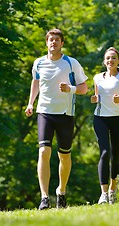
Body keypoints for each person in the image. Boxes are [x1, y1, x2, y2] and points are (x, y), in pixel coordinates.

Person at [25, 29, 88, 210]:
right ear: (46, 43)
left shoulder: (71, 63)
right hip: (44, 112)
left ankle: (61, 191)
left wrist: (71, 89)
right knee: (44, 152)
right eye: (51, 40)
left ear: (62, 43)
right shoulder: (38, 63)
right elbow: (35, 82)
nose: (53, 42)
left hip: (65, 114)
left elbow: (84, 88)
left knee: (64, 156)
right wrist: (30, 103)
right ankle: (44, 197)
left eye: (57, 40)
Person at [90, 47, 119, 204]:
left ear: (118, 61)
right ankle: (103, 193)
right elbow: (97, 96)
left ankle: (112, 189)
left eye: (113, 58)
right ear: (104, 61)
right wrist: (95, 99)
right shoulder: (97, 78)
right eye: (108, 58)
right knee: (104, 153)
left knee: (115, 155)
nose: (110, 60)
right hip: (100, 119)